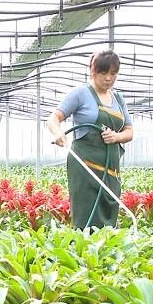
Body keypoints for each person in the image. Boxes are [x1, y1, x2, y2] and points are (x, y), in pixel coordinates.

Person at [47, 49, 133, 230]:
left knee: (109, 211)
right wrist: (58, 133)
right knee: (86, 214)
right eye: (103, 73)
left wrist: (116, 137)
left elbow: (129, 132)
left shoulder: (119, 99)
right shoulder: (80, 93)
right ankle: (82, 246)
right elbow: (54, 118)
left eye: (113, 74)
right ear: (93, 71)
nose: (108, 78)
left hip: (111, 168)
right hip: (84, 165)